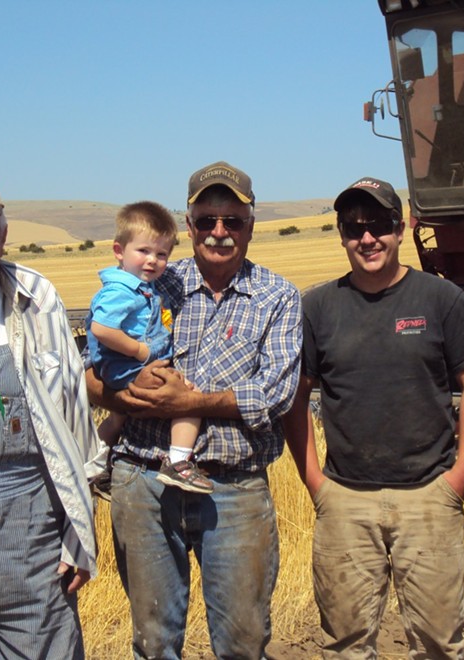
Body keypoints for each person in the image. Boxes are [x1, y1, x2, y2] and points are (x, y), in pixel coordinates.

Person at [85, 161, 302, 659]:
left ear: (251, 224)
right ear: (189, 225)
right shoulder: (150, 280)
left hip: (234, 488)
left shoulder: (278, 297)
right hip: (142, 482)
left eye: (232, 221)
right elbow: (88, 372)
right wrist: (126, 395)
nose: (219, 233)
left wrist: (190, 403)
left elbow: (277, 394)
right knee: (153, 641)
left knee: (243, 642)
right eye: (207, 220)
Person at [282, 177, 464, 658]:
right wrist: (315, 482)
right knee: (346, 645)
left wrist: (460, 476)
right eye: (354, 229)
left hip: (430, 498)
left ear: (401, 227)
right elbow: (296, 397)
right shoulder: (318, 307)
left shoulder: (441, 300)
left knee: (438, 644)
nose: (367, 238)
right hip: (345, 501)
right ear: (341, 235)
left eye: (378, 226)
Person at [0, 163, 99, 658]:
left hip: (32, 528)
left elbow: (74, 417)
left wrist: (80, 528)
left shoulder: (35, 299)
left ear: (3, 235)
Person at [86, 200, 212, 494]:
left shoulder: (143, 287)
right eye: (143, 251)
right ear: (119, 251)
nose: (152, 260)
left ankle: (91, 466)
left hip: (123, 366)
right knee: (189, 397)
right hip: (125, 366)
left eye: (161, 254)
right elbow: (101, 329)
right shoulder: (122, 290)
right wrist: (139, 352)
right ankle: (179, 462)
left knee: (119, 417)